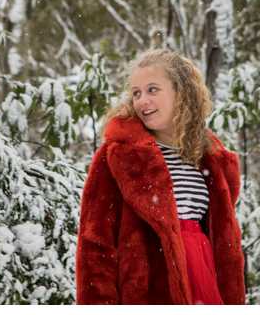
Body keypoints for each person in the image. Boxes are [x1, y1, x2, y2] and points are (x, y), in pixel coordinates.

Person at [76, 46, 246, 304]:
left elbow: (226, 245)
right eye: (136, 93)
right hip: (149, 291)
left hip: (204, 279)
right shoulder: (118, 155)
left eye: (152, 90)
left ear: (181, 92)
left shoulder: (208, 157)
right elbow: (95, 245)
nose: (142, 100)